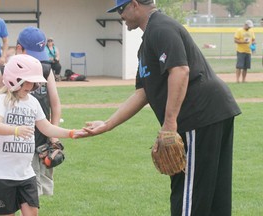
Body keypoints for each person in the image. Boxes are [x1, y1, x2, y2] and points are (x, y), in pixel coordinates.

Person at [74, 1, 241, 216]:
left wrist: (170, 125)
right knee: (210, 192)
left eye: (120, 9)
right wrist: (107, 125)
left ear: (134, 5)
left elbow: (180, 70)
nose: (120, 16)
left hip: (198, 115)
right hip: (212, 112)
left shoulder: (161, 28)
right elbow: (142, 92)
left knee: (189, 194)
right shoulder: (148, 41)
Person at [0, 54, 78, 216]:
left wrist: (71, 133)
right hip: (0, 172)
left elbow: (46, 127)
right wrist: (16, 130)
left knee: (32, 213)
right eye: (29, 80)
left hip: (25, 173)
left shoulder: (32, 102)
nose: (33, 85)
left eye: (35, 81)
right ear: (14, 78)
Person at [0, 26, 62, 197]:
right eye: (33, 55)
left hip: (40, 141)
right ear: (19, 49)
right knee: (14, 192)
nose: (37, 61)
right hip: (12, 144)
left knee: (34, 192)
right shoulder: (4, 72)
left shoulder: (44, 69)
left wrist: (54, 137)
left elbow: (55, 104)